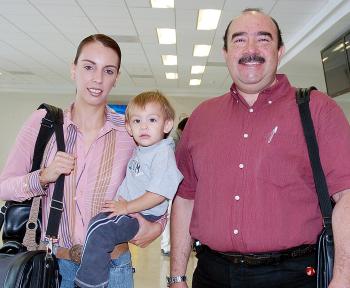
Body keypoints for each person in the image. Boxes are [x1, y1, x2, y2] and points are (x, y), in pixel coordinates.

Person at [170, 8, 350, 288]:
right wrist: (177, 276)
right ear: (225, 53)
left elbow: (347, 196)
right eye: (239, 40)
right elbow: (185, 199)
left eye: (263, 39)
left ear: (280, 51)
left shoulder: (318, 109)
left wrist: (343, 278)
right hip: (210, 275)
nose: (250, 49)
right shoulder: (201, 117)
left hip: (292, 277)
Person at [0, 34, 165, 288]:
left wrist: (157, 226)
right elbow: (5, 186)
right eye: (89, 67)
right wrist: (44, 176)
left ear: (116, 77)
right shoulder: (43, 124)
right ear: (73, 69)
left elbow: (163, 181)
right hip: (54, 266)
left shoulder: (131, 132)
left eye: (108, 70)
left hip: (113, 268)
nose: (97, 79)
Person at [74, 91, 183, 288]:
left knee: (101, 233)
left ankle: (90, 283)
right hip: (129, 211)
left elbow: (158, 194)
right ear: (129, 128)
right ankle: (93, 276)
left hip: (140, 214)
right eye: (137, 121)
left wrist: (127, 207)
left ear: (167, 125)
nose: (144, 126)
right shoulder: (143, 149)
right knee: (96, 225)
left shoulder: (162, 153)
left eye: (152, 120)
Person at [160, 116, 188, 256]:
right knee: (169, 214)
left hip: (170, 183)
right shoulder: (174, 140)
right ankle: (166, 246)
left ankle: (166, 245)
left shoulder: (175, 138)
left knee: (170, 214)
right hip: (170, 184)